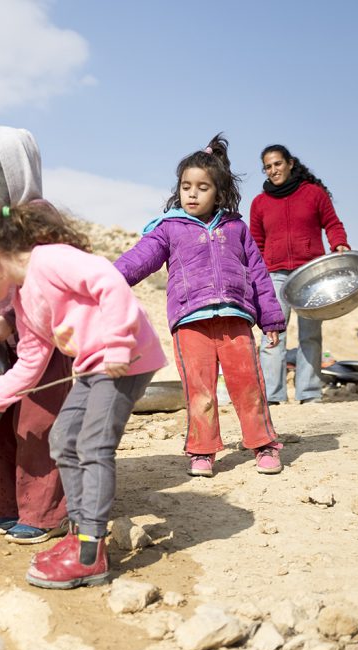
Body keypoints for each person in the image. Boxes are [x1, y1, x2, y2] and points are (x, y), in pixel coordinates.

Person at [0, 204, 166, 589]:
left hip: (125, 361)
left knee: (92, 445)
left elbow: (109, 283)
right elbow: (30, 364)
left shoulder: (50, 261)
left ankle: (91, 553)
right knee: (63, 439)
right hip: (94, 366)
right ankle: (79, 535)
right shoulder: (23, 302)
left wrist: (118, 345)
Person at [115, 134, 286, 478]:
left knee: (248, 384)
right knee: (200, 390)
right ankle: (202, 451)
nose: (192, 193)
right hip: (190, 322)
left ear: (218, 192)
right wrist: (104, 279)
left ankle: (263, 444)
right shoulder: (169, 229)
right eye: (186, 186)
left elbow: (259, 274)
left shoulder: (236, 227)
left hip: (236, 319)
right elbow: (138, 261)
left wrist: (271, 319)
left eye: (202, 187)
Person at [0, 126, 72, 544]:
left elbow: (41, 285)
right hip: (8, 351)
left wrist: (13, 318)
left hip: (47, 348)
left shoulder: (40, 223)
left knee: (37, 429)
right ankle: (14, 506)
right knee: (1, 431)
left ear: (10, 180)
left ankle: (47, 513)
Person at [250, 144, 350, 405]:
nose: (273, 170)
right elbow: (257, 243)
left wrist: (339, 243)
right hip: (274, 275)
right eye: (268, 166)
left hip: (310, 274)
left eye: (277, 164)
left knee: (310, 334)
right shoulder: (259, 203)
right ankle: (273, 397)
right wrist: (255, 276)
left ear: (290, 163)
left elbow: (332, 223)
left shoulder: (313, 194)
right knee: (272, 334)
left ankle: (309, 393)